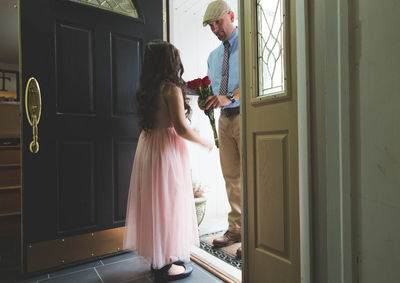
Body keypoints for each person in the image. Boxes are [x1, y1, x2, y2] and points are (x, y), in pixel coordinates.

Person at [124, 40, 213, 282]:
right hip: (166, 149)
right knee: (169, 203)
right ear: (170, 61)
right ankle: (167, 264)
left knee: (155, 202)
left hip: (149, 145)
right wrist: (204, 141)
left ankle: (158, 259)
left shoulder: (147, 89)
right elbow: (181, 128)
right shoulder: (170, 88)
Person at [200, 0, 242, 258]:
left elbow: (255, 81)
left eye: (218, 22)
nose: (215, 29)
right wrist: (205, 97)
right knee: (231, 177)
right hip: (224, 120)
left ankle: (257, 235)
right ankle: (237, 229)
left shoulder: (250, 45)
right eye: (211, 26)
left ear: (232, 16)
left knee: (252, 177)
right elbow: (214, 89)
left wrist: (228, 96)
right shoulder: (213, 57)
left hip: (249, 116)